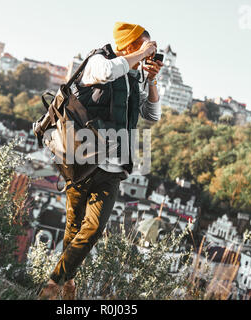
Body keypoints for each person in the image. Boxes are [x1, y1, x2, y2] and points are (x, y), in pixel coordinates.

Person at [38, 21, 164, 300]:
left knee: (93, 228)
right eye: (143, 46)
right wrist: (140, 56)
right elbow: (109, 71)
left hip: (113, 169)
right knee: (73, 228)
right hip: (81, 161)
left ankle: (52, 284)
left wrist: (152, 79)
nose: (147, 52)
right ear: (129, 45)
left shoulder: (134, 76)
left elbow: (152, 115)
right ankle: (68, 284)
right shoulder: (99, 61)